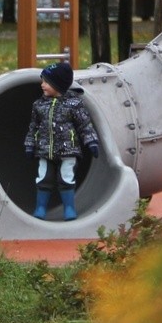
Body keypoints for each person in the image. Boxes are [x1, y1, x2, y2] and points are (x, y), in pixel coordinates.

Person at [24, 61, 99, 221]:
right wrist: (30, 144)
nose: (42, 85)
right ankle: (41, 208)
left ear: (58, 84)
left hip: (68, 150)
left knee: (66, 178)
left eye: (46, 82)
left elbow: (84, 125)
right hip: (45, 149)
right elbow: (33, 127)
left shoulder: (74, 104)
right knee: (43, 179)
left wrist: (91, 142)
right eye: (42, 81)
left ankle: (69, 208)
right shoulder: (39, 105)